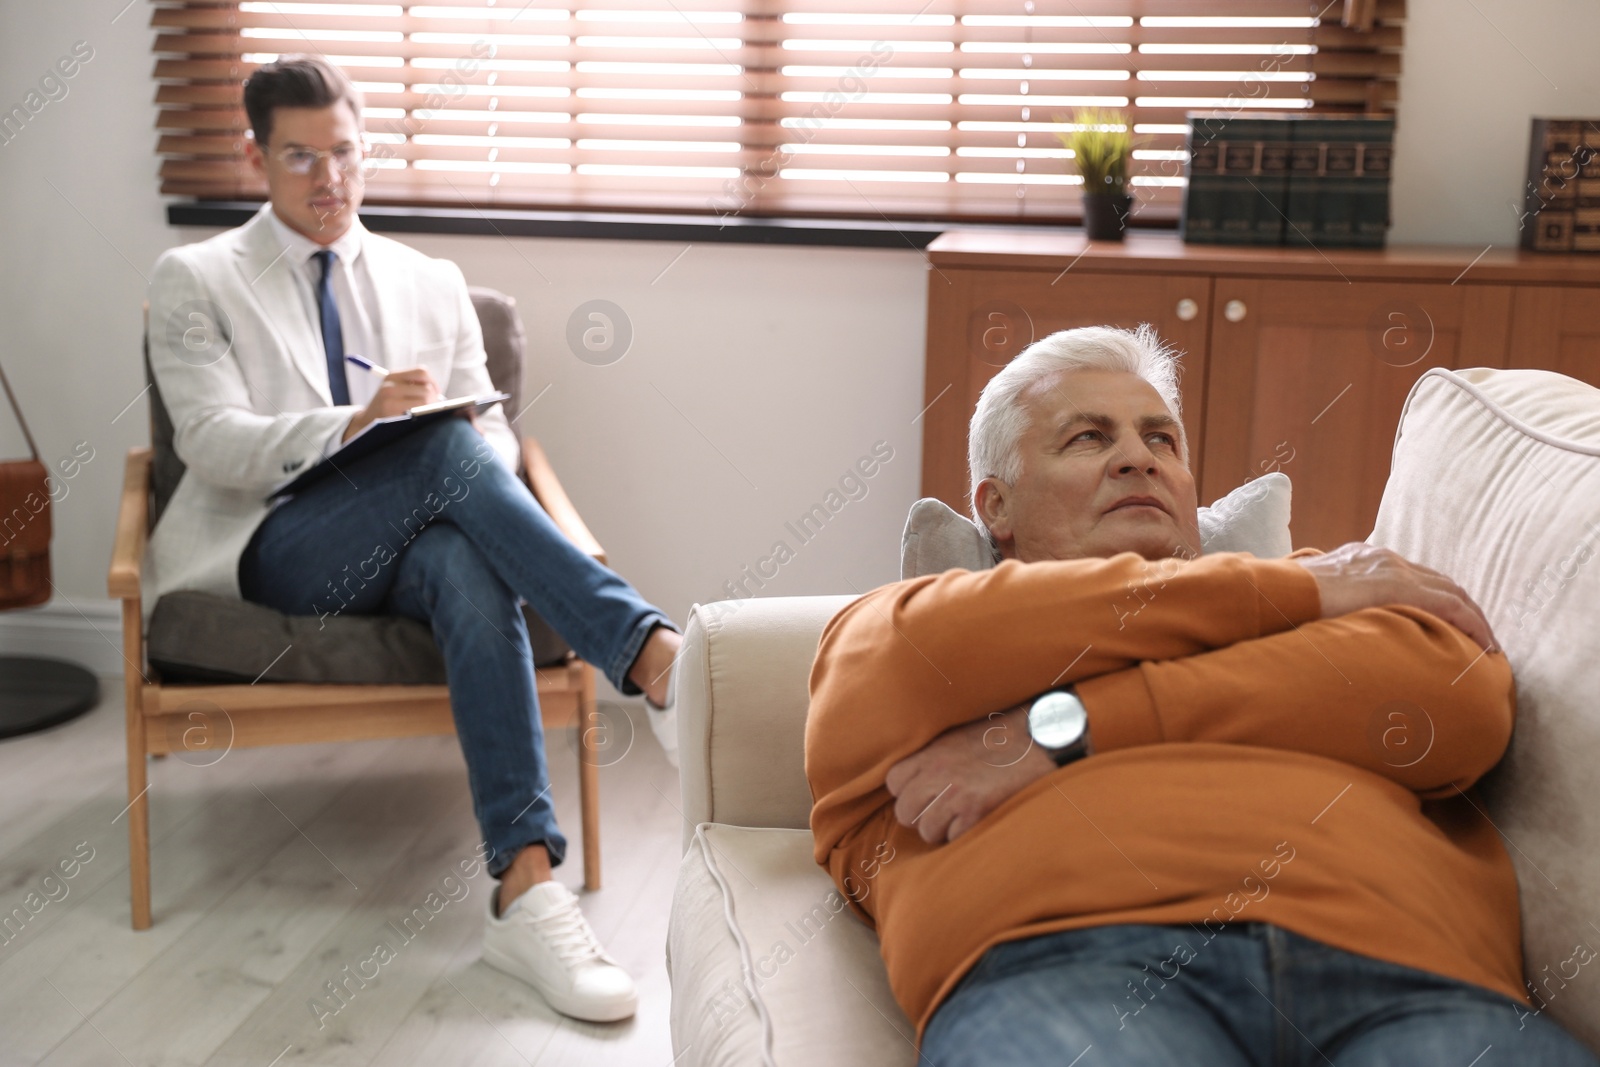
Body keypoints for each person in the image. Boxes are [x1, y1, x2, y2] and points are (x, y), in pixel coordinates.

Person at [805, 325, 1599, 1064]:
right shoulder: (921, 621)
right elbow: (908, 660)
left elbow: (1454, 703)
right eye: (1088, 437)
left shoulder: (1338, 591)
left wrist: (1071, 728)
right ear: (996, 506)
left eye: (1161, 439)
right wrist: (1292, 592)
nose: (1138, 458)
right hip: (1068, 967)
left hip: (1412, 971)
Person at [144, 55, 679, 1024]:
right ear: (254, 154)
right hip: (281, 545)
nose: (328, 179)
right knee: (437, 445)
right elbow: (209, 442)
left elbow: (497, 440)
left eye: (345, 153)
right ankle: (647, 650)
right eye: (301, 157)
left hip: (418, 542)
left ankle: (525, 887)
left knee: (461, 552)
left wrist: (450, 447)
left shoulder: (432, 282)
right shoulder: (196, 277)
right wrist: (354, 427)